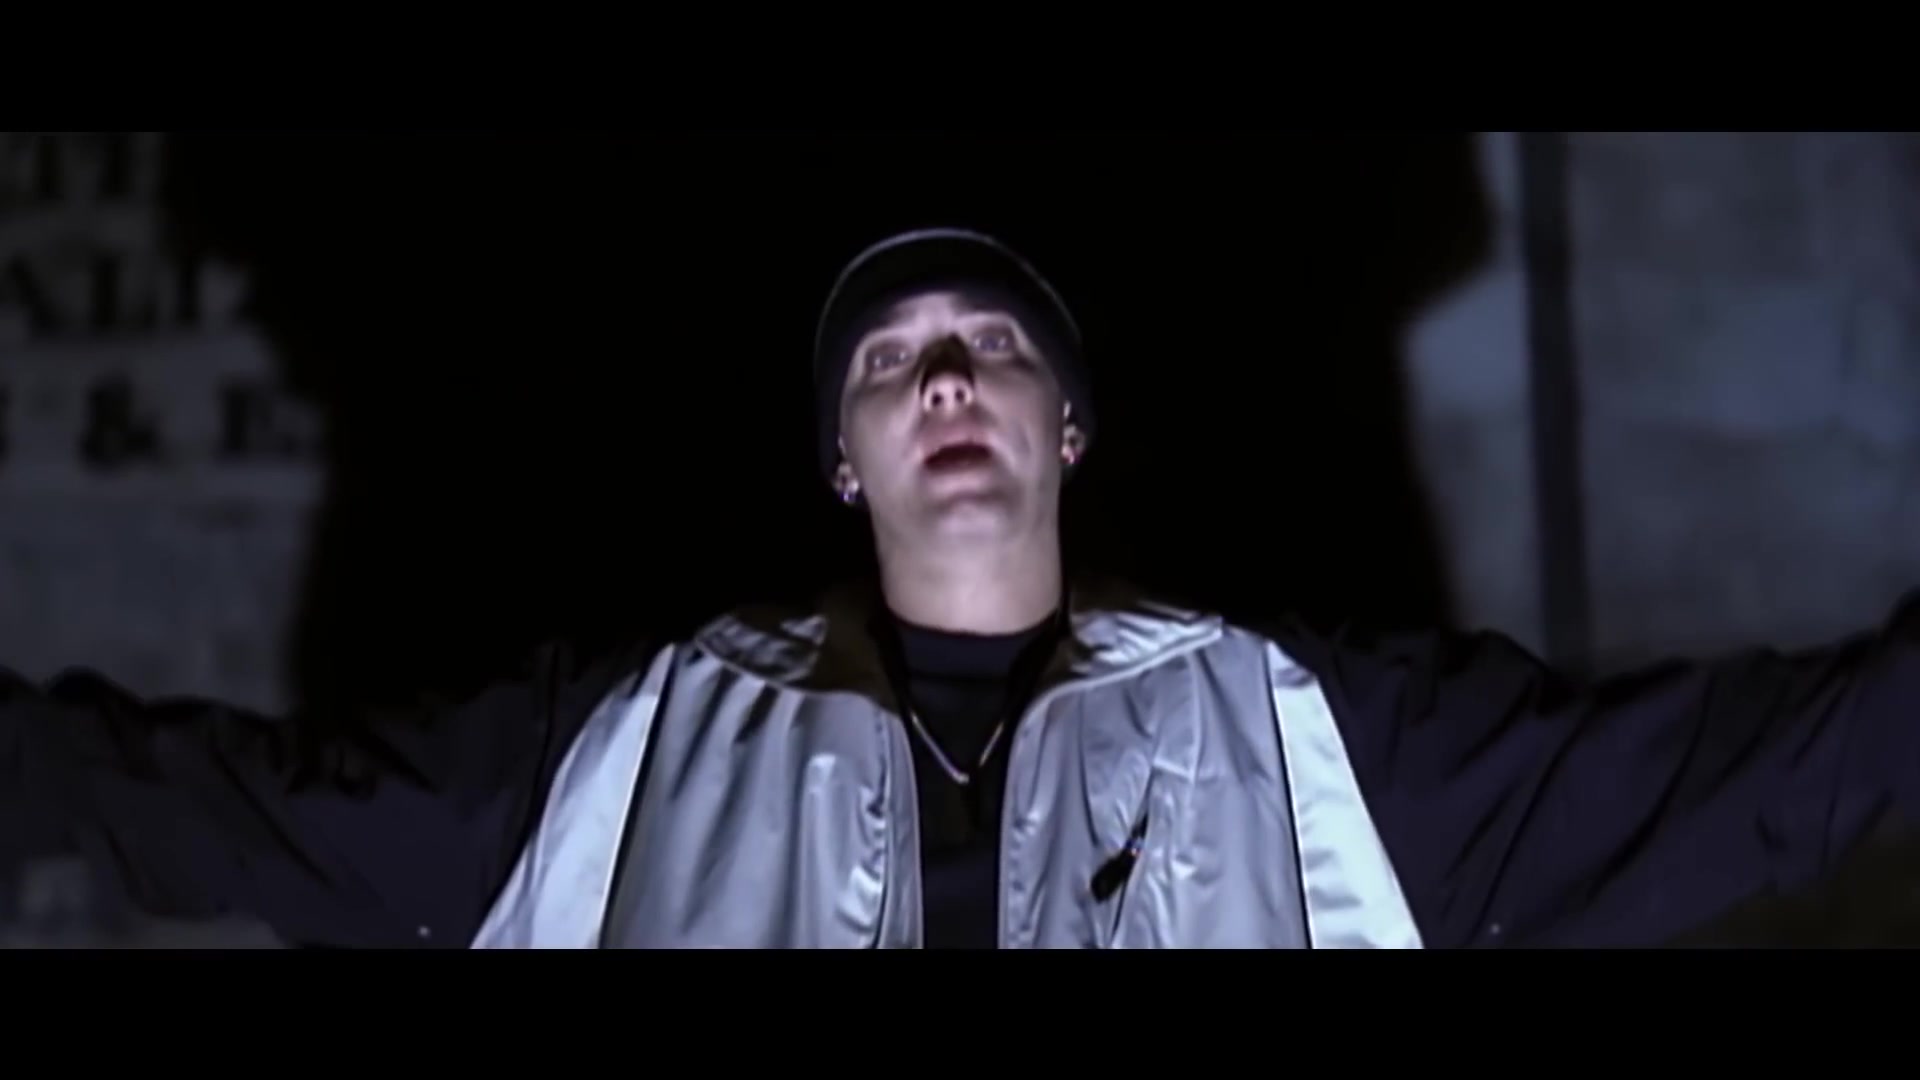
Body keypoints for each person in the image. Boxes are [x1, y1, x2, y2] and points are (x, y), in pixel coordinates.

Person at [6, 226, 1920, 949]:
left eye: (991, 344)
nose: (942, 376)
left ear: (1064, 424)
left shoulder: (1302, 734)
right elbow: (251, 814)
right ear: (844, 457)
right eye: (890, 356)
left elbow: (1730, 779)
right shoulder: (640, 742)